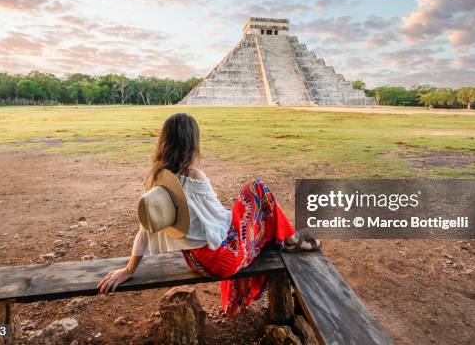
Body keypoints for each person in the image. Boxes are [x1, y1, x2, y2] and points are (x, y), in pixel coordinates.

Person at [97, 113, 320, 316]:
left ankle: (288, 238)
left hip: (194, 260)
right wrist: (248, 214)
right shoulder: (194, 176)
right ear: (192, 143)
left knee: (252, 209)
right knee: (256, 188)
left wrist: (129, 269)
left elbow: (144, 230)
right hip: (221, 260)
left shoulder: (155, 179)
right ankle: (290, 240)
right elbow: (221, 225)